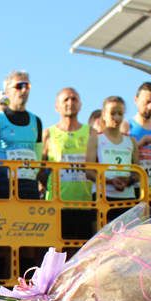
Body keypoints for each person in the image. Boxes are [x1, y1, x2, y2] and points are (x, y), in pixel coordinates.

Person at [41, 87, 95, 240]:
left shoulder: (90, 131)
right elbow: (40, 169)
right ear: (56, 106)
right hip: (56, 204)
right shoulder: (48, 133)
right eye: (66, 99)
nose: (70, 102)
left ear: (80, 104)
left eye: (74, 99)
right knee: (55, 251)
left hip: (84, 203)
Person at [0, 70, 43, 199]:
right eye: (19, 86)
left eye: (27, 86)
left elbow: (37, 158)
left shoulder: (36, 121)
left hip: (29, 187)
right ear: (7, 91)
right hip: (3, 187)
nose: (23, 90)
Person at [86, 96, 139, 203]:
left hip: (127, 197)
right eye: (112, 113)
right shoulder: (95, 139)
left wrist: (128, 180)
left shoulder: (131, 141)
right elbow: (89, 172)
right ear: (104, 115)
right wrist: (110, 181)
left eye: (120, 114)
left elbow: (137, 172)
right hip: (103, 197)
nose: (117, 117)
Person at [128, 82, 151, 190]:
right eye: (147, 102)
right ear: (136, 100)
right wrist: (140, 144)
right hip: (135, 188)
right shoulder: (127, 127)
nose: (150, 107)